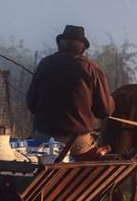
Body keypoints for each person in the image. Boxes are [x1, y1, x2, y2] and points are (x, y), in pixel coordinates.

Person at [26, 25, 115, 157]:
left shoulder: (44, 64)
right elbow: (104, 111)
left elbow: (31, 105)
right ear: (83, 48)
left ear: (59, 45)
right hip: (77, 142)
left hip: (43, 140)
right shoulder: (91, 68)